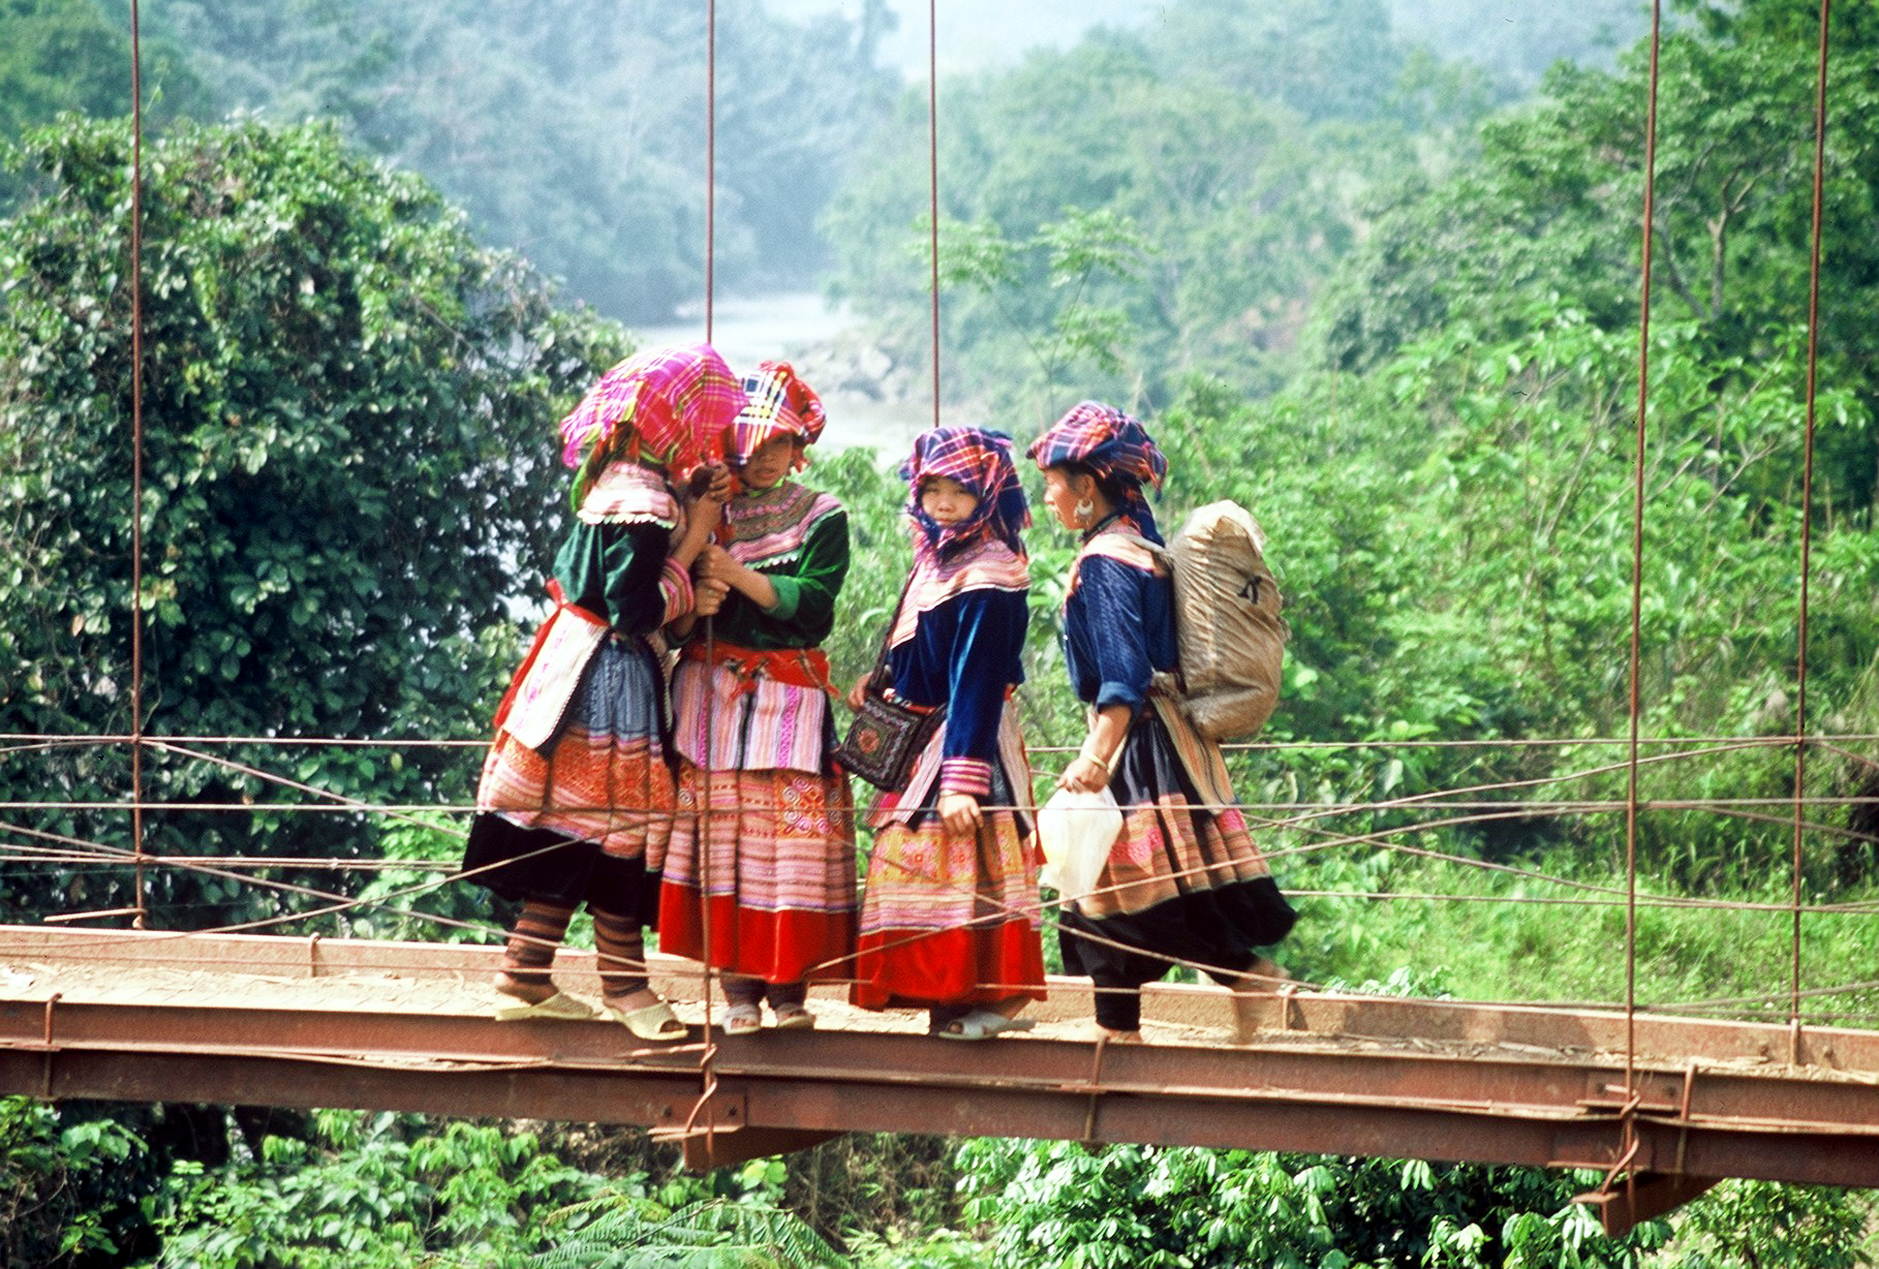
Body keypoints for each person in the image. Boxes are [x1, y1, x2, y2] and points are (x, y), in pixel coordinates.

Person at [460, 343, 745, 1040]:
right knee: (617, 828)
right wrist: (695, 538)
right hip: (608, 677)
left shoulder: (609, 482)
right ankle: (624, 985)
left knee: (573, 828)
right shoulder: (643, 501)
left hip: (572, 664)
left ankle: (523, 975)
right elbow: (637, 609)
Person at [1027, 401, 1297, 1043]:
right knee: (1109, 897)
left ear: (1087, 487)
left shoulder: (1105, 563)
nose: (1048, 500)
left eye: (1053, 485)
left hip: (1137, 747)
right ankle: (1119, 1031)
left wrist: (1096, 756)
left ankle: (1245, 978)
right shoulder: (1140, 548)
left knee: (1124, 894)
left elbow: (1123, 674)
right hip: (1169, 742)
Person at [658, 361, 856, 1034]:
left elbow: (814, 609)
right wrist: (696, 597)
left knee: (788, 852)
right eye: (758, 441)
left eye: (782, 443)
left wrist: (735, 575)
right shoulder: (702, 507)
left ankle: (789, 991)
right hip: (710, 698)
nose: (770, 456)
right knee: (725, 848)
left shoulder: (822, 515)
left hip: (788, 701)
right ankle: (739, 992)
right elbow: (672, 607)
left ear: (798, 446)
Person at [845, 426, 1046, 1039]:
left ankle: (998, 1000)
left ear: (985, 491)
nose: (942, 503)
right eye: (931, 489)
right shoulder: (936, 559)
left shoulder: (990, 571)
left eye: (957, 489)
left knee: (949, 858)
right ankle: (947, 1003)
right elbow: (925, 647)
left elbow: (976, 680)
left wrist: (963, 781)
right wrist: (880, 679)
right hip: (928, 733)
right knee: (919, 864)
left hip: (965, 739)